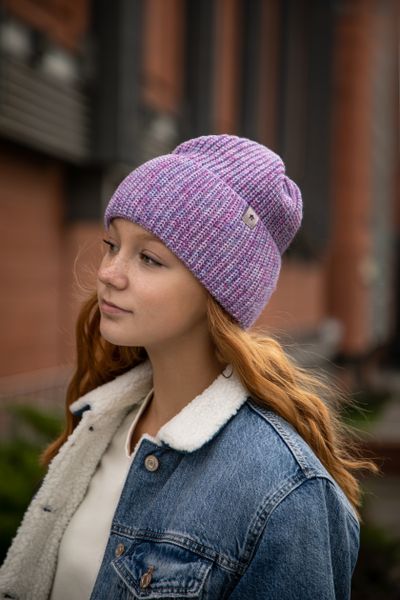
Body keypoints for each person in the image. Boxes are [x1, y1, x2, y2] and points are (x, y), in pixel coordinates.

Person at [0, 134, 376, 600]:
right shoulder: (103, 421)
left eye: (149, 258)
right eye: (112, 245)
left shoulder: (283, 491)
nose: (108, 273)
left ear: (218, 291)